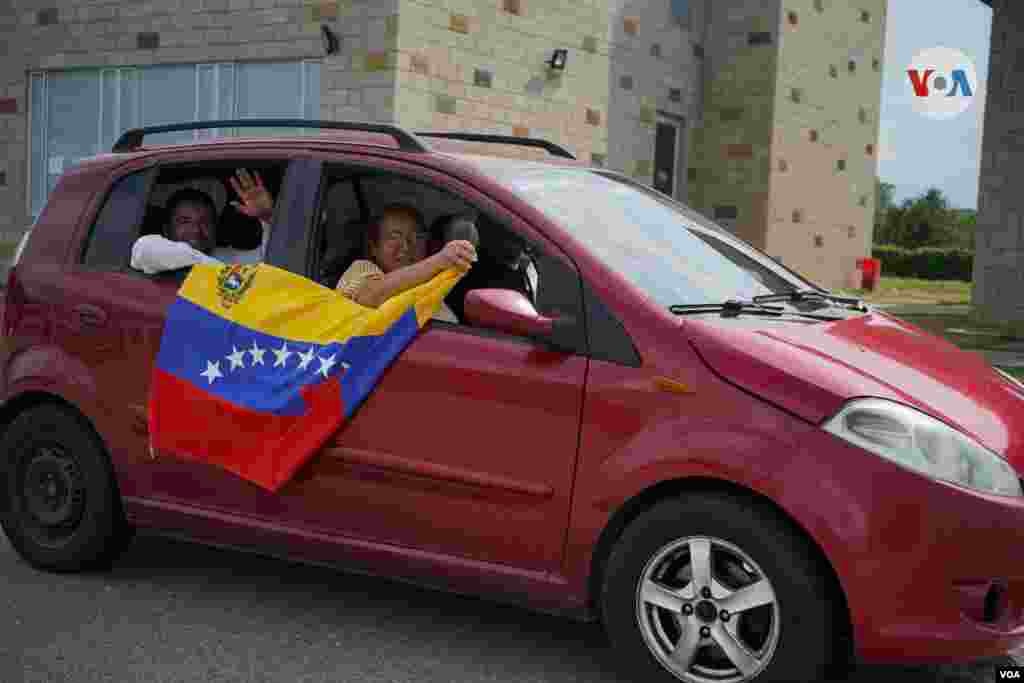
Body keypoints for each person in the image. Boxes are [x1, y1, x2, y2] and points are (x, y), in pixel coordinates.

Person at [336, 204, 475, 322]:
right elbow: (369, 297)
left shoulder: (431, 285)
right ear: (374, 247)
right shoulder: (361, 269)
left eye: (416, 237)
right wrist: (439, 260)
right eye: (394, 237)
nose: (406, 246)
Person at [130, 169, 273, 275]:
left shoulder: (229, 256)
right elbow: (143, 250)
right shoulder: (152, 249)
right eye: (185, 221)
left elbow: (269, 260)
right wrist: (224, 273)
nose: (196, 230)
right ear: (167, 229)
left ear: (215, 228)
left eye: (205, 222)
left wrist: (267, 218)